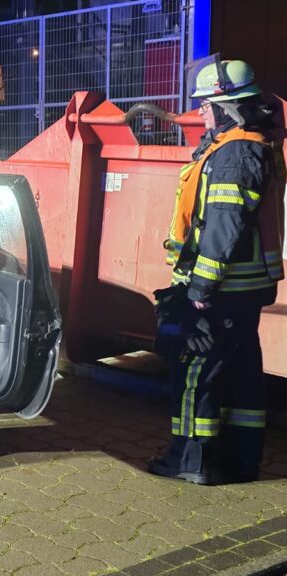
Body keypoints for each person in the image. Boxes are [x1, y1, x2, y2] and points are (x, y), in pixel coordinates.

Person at [150, 59, 285, 485]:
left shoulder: (234, 153)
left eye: (207, 105)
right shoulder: (250, 144)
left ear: (228, 106)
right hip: (243, 288)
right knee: (241, 372)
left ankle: (189, 460)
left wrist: (200, 288)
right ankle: (239, 460)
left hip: (223, 289)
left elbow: (225, 224)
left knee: (195, 369)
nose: (202, 113)